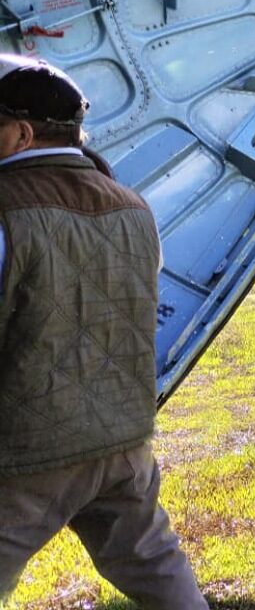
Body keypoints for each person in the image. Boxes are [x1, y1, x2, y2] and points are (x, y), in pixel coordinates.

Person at [0, 55, 208, 609]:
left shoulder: (5, 212)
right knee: (160, 571)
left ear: (20, 134)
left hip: (26, 453)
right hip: (122, 440)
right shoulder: (135, 208)